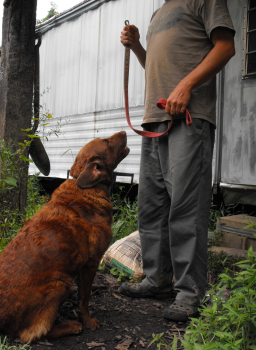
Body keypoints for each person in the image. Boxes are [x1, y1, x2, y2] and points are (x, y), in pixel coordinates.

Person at [119, 0, 235, 322]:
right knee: (151, 205)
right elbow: (156, 68)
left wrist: (186, 85)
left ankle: (190, 292)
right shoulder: (159, 13)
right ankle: (156, 280)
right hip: (154, 119)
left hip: (188, 117)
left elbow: (226, 47)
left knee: (186, 206)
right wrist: (138, 46)